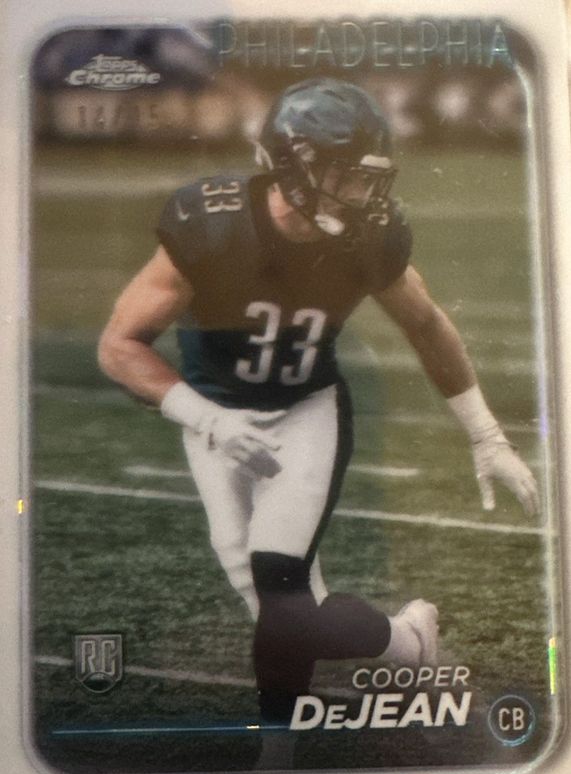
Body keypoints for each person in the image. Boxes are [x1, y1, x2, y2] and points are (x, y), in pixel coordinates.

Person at [98, 78, 538, 733]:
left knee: (282, 595)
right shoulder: (211, 224)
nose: (362, 193)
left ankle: (276, 753)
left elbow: (426, 323)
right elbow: (119, 345)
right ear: (293, 166)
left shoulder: (367, 236)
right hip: (213, 417)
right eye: (345, 174)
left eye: (368, 177)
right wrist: (205, 417)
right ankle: (408, 643)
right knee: (287, 610)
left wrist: (486, 435)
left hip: (307, 411)